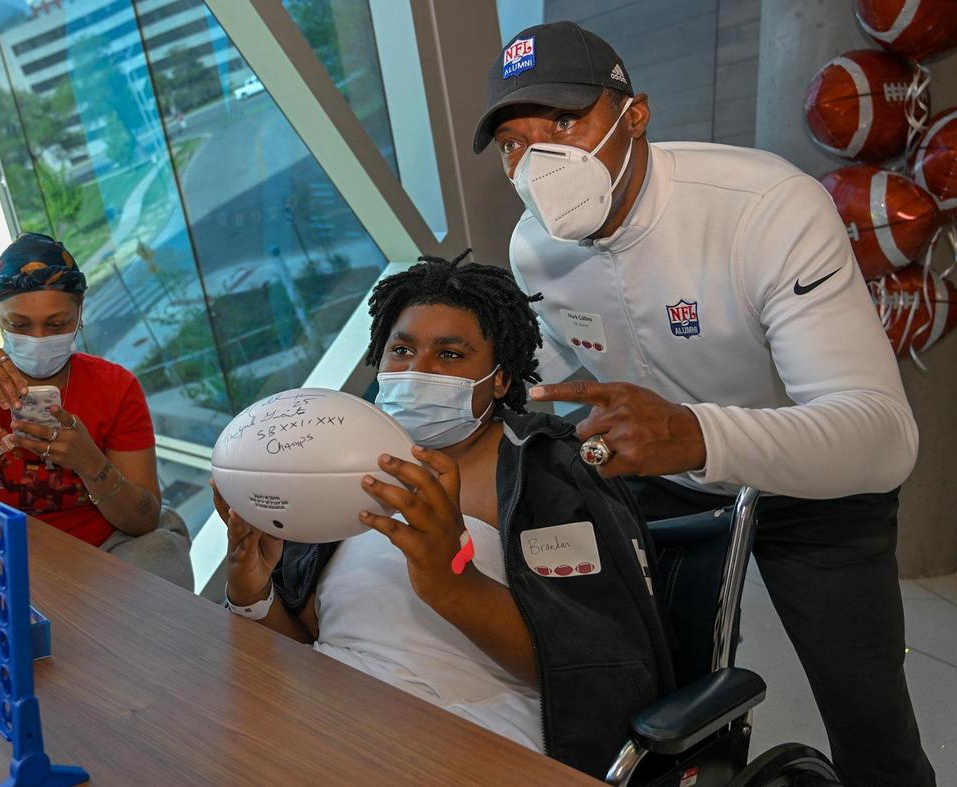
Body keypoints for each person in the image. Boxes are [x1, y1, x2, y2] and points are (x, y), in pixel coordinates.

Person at [472, 20, 933, 787]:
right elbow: (559, 379)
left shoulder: (765, 207)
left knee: (871, 725)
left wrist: (694, 432)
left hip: (815, 486)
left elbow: (884, 437)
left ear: (635, 113)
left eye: (563, 121)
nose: (538, 160)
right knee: (647, 701)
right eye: (514, 142)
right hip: (659, 481)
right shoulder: (534, 248)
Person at [213, 253, 673, 778]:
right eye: (402, 350)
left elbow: (600, 674)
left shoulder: (552, 472)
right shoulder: (337, 474)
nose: (417, 372)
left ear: (500, 380)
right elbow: (311, 644)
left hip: (479, 729)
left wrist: (451, 581)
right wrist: (251, 594)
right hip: (330, 709)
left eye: (450, 354)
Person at [0, 232, 191, 587]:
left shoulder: (115, 386)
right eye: (19, 325)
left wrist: (89, 461)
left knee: (163, 550)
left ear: (80, 313)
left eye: (57, 324)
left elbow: (143, 519)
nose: (38, 339)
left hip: (100, 552)